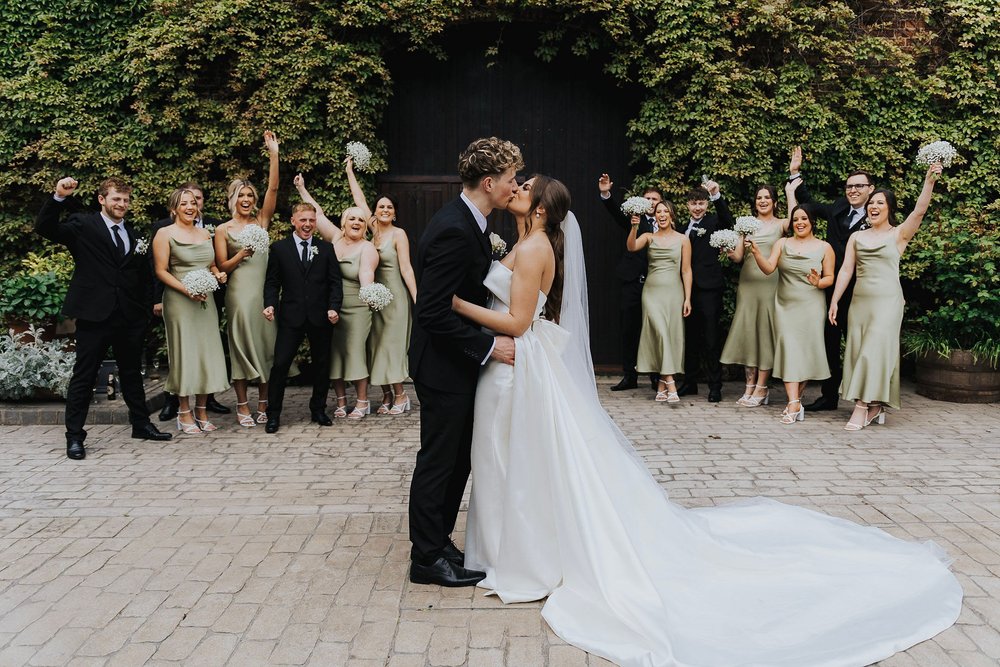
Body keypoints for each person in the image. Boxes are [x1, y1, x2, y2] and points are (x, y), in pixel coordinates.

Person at [454, 173, 961, 667]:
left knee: (523, 454)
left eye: (523, 187)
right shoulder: (525, 240)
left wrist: (457, 305)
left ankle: (527, 552)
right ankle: (521, 544)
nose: (514, 189)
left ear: (540, 207)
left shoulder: (537, 246)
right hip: (520, 362)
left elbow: (519, 321)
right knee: (524, 456)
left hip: (517, 354)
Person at [407, 136, 520, 588]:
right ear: (489, 182)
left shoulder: (470, 222)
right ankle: (426, 558)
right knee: (440, 460)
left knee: (457, 461)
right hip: (442, 367)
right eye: (511, 179)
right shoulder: (454, 228)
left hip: (454, 364)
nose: (515, 186)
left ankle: (438, 543)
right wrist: (490, 347)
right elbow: (432, 312)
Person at [35, 176, 173, 459]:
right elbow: (45, 228)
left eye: (125, 200)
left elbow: (143, 275)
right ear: (102, 200)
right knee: (84, 377)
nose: (121, 204)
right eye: (116, 199)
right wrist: (58, 197)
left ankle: (141, 424)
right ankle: (75, 436)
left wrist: (145, 309)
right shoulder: (83, 225)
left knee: (133, 373)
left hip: (129, 316)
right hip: (94, 315)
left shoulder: (133, 235)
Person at [830, 164, 943, 431]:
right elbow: (847, 270)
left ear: (889, 208)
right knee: (860, 352)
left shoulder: (898, 235)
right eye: (871, 203)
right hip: (860, 302)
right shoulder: (856, 237)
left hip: (888, 302)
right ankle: (876, 406)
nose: (874, 206)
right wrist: (835, 300)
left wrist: (929, 182)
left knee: (874, 350)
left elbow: (920, 211)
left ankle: (861, 406)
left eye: (880, 202)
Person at [793, 147, 877, 412]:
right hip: (832, 288)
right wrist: (795, 174)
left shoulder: (877, 213)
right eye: (849, 186)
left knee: (860, 343)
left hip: (863, 290)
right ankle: (829, 396)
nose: (853, 190)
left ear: (870, 189)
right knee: (830, 341)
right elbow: (809, 205)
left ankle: (864, 399)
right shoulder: (840, 208)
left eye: (859, 186)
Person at [213, 131, 280, 427]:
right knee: (240, 346)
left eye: (250, 196)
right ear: (233, 199)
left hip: (264, 295)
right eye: (241, 196)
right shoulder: (222, 229)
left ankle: (264, 403)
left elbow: (274, 191)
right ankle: (242, 405)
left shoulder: (262, 221)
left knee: (267, 346)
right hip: (239, 294)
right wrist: (243, 253)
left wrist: (274, 154)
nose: (247, 200)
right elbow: (221, 267)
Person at [748, 201, 835, 424]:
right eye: (796, 219)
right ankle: (794, 402)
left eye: (804, 218)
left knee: (805, 353)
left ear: (812, 222)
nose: (799, 222)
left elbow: (830, 277)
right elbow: (768, 269)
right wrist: (757, 252)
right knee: (789, 350)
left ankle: (794, 402)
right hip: (785, 306)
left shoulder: (825, 247)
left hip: (811, 306)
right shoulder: (782, 243)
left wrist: (819, 282)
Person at [152, 188, 230, 433]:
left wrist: (218, 274)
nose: (190, 207)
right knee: (185, 354)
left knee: (208, 353)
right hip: (180, 301)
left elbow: (212, 263)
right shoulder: (164, 234)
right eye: (184, 203)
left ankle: (202, 410)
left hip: (205, 302)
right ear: (174, 208)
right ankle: (183, 412)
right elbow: (161, 270)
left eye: (193, 202)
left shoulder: (205, 233)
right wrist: (186, 290)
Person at [344, 159, 418, 415]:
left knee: (390, 346)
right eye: (380, 206)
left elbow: (406, 268)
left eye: (389, 207)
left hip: (395, 298)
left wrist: (417, 297)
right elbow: (360, 200)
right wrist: (350, 172)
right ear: (375, 212)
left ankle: (401, 396)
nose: (384, 209)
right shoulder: (372, 230)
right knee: (375, 346)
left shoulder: (399, 234)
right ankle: (386, 396)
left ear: (394, 212)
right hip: (374, 297)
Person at [261, 203, 343, 434]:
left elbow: (335, 282)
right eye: (303, 220)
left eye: (311, 220)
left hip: (320, 317)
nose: (307, 224)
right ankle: (273, 414)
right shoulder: (279, 249)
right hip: (291, 316)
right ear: (293, 221)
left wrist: (334, 307)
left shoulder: (326, 249)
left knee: (322, 365)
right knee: (280, 365)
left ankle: (318, 409)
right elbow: (272, 282)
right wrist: (269, 304)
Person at [719, 183, 790, 407]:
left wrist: (790, 191)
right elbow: (739, 257)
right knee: (748, 334)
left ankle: (762, 387)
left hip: (771, 284)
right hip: (748, 285)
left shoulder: (781, 224)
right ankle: (749, 385)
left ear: (775, 202)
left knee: (765, 335)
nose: (762, 201)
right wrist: (728, 249)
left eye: (767, 197)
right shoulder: (745, 224)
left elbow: (797, 216)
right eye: (759, 197)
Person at [597, 175, 660, 391]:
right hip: (632, 282)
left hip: (656, 284)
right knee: (628, 329)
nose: (651, 202)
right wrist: (606, 194)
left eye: (655, 199)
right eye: (648, 199)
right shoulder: (635, 220)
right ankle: (629, 376)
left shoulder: (665, 222)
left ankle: (655, 376)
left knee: (653, 330)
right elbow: (615, 213)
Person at [626, 201, 692, 402]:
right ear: (655, 216)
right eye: (658, 212)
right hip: (652, 292)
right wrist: (634, 226)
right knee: (660, 333)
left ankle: (662, 386)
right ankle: (671, 382)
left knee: (670, 336)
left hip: (674, 293)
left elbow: (686, 270)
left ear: (672, 216)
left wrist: (688, 298)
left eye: (666, 211)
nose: (662, 214)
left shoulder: (683, 240)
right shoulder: (648, 237)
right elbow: (631, 247)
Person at [677, 182, 733, 401]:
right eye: (693, 204)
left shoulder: (714, 223)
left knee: (711, 338)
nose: (697, 208)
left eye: (701, 203)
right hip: (687, 291)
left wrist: (716, 195)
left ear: (706, 205)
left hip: (710, 289)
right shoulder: (682, 228)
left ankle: (715, 386)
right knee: (690, 338)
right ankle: (689, 382)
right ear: (688, 205)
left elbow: (729, 221)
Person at [329, 206, 379, 420]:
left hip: (357, 306)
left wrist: (370, 295)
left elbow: (366, 274)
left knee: (354, 349)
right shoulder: (334, 242)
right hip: (333, 305)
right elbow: (318, 216)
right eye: (352, 219)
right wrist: (301, 188)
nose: (356, 222)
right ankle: (341, 401)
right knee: (335, 352)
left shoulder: (367, 248)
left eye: (361, 220)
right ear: (343, 223)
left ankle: (362, 401)